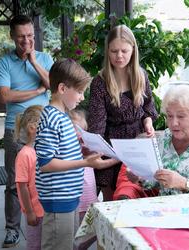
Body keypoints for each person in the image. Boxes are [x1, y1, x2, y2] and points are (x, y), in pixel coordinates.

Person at [34, 59, 117, 250]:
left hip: (68, 198)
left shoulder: (62, 116)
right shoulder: (51, 118)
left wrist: (84, 152)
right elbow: (46, 164)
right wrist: (85, 163)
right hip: (58, 199)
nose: (81, 98)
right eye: (79, 92)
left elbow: (62, 153)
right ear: (62, 88)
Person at [0, 14, 53, 247]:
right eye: (21, 37)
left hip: (45, 125)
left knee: (47, 176)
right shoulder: (5, 62)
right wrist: (36, 91)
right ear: (12, 37)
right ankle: (12, 229)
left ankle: (46, 220)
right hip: (16, 127)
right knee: (15, 181)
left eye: (30, 36)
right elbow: (5, 96)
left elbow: (52, 85)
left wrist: (33, 61)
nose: (26, 41)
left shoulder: (45, 58)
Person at [87, 24, 158, 201]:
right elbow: (97, 126)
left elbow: (148, 108)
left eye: (124, 51)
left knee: (140, 195)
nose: (119, 56)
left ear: (133, 50)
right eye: (114, 51)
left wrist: (148, 123)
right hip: (111, 146)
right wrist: (98, 153)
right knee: (113, 202)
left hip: (137, 143)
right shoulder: (100, 82)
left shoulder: (141, 75)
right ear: (107, 51)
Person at [14, 105, 44, 250]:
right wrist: (30, 212)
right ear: (33, 128)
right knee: (35, 246)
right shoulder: (25, 154)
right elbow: (22, 186)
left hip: (47, 210)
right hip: (36, 212)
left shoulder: (43, 150)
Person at [68, 109, 98, 250]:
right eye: (76, 129)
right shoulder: (68, 151)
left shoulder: (86, 149)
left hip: (90, 202)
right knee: (75, 235)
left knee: (91, 232)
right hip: (77, 204)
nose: (80, 134)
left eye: (83, 130)